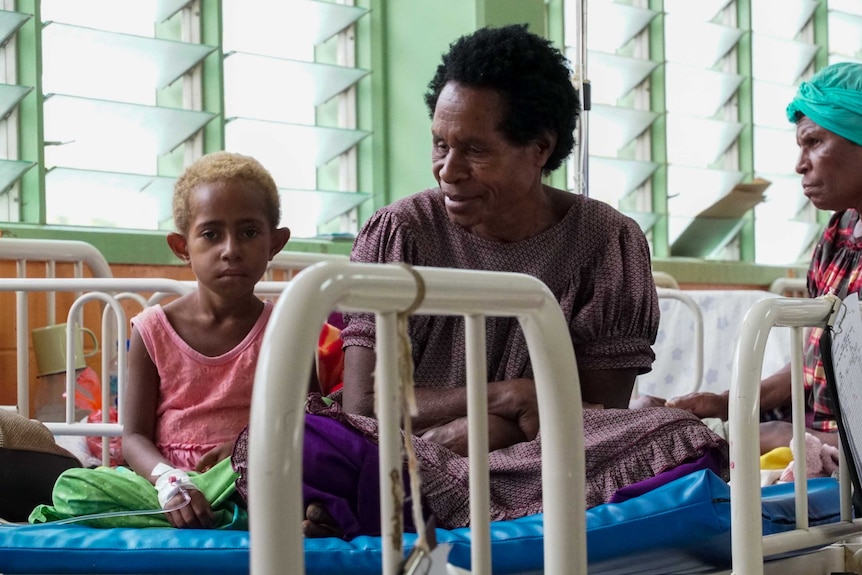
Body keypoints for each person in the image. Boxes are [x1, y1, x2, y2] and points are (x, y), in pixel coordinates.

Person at [301, 24, 729, 530]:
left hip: (530, 461)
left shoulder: (607, 243)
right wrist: (509, 397)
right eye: (440, 144)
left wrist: (478, 433)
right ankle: (410, 487)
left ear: (540, 149)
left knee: (675, 433)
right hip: (399, 445)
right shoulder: (401, 233)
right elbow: (366, 406)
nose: (448, 170)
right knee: (318, 439)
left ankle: (402, 495)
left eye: (475, 151)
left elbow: (589, 421)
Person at [634, 61, 862, 455]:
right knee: (655, 419)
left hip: (849, 445)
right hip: (825, 426)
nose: (799, 164)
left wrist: (789, 437)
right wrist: (723, 402)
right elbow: (815, 363)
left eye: (814, 142)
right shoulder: (837, 236)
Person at [121, 151, 292, 528]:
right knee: (74, 487)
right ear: (182, 248)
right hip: (165, 488)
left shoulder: (286, 326)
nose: (231, 249)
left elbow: (308, 422)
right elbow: (133, 436)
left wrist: (249, 451)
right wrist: (169, 481)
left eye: (249, 233)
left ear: (274, 243)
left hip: (248, 479)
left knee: (303, 475)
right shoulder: (152, 329)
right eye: (211, 234)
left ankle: (238, 513)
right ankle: (213, 516)